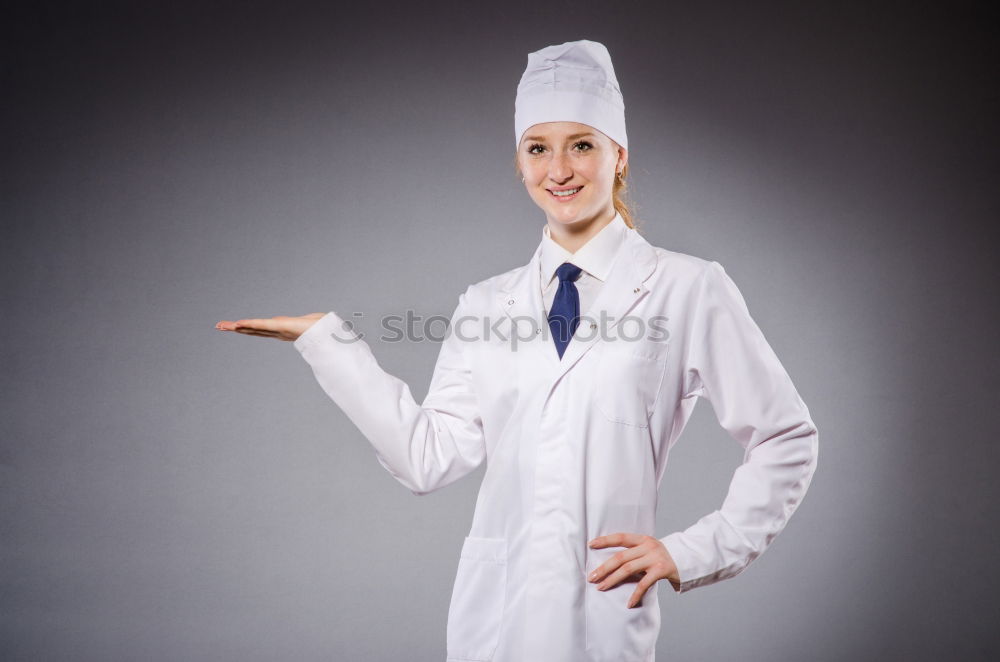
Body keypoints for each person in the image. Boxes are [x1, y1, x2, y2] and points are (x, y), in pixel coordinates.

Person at [216, 39, 818, 662]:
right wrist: (330, 343)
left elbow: (785, 436)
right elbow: (427, 457)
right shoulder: (485, 303)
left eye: (581, 144)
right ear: (521, 164)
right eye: (538, 148)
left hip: (603, 615)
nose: (559, 169)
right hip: (494, 620)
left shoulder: (688, 288)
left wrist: (692, 551)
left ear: (619, 157)